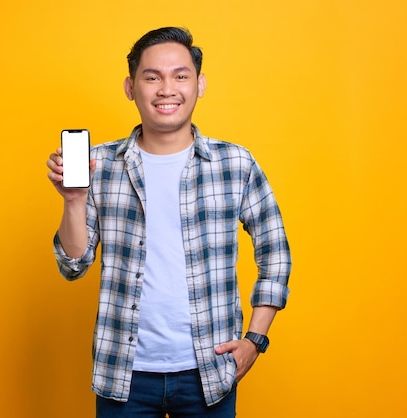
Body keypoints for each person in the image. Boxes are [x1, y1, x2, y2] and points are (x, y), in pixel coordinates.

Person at [46, 27, 291, 418]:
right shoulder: (101, 165)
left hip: (210, 372)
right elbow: (73, 265)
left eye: (180, 76)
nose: (167, 89)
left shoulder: (235, 164)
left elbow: (275, 253)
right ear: (131, 87)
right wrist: (74, 200)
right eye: (152, 77)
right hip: (124, 375)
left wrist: (255, 339)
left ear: (200, 83)